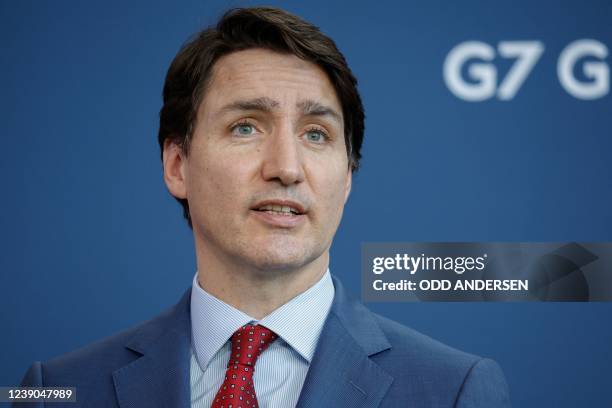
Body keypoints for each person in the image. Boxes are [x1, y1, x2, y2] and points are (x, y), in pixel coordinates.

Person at [18, 7, 511, 408]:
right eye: (246, 127)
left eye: (316, 134)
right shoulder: (55, 391)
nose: (287, 168)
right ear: (177, 165)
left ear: (346, 180)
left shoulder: (454, 390)